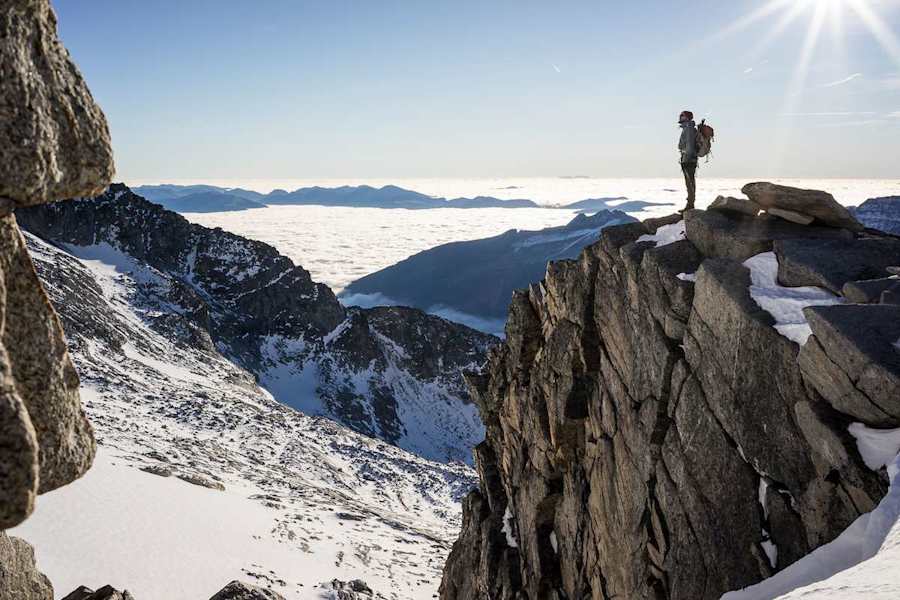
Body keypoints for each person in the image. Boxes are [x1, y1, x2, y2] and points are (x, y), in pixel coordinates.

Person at [678, 110, 698, 211]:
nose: (680, 117)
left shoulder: (689, 129)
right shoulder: (687, 128)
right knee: (689, 182)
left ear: (687, 118)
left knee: (690, 183)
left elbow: (689, 146)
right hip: (689, 159)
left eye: (682, 116)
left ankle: (690, 205)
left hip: (689, 160)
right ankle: (690, 204)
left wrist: (686, 159)